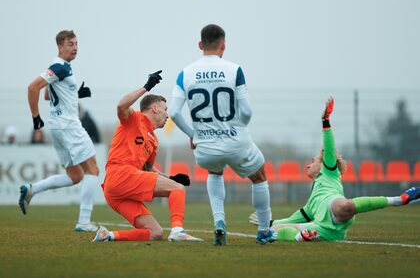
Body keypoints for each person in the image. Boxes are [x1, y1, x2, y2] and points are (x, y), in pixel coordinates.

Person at [249, 97, 420, 242]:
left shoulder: (329, 173)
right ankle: (302, 237)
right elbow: (293, 219)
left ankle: (399, 199)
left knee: (342, 205)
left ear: (323, 164)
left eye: (313, 161)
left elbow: (329, 148)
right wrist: (269, 222)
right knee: (279, 229)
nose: (308, 164)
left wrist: (326, 121)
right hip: (325, 231)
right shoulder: (311, 204)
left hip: (337, 211)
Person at [169, 24, 274, 245]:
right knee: (259, 176)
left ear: (200, 45)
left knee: (215, 172)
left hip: (205, 145)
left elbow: (174, 112)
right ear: (223, 44)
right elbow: (246, 111)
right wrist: (239, 127)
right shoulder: (234, 69)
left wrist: (193, 134)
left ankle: (219, 222)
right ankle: (264, 231)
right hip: (236, 141)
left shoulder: (185, 73)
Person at [92, 71, 203, 243]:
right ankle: (178, 231)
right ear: (155, 108)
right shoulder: (133, 118)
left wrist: (171, 177)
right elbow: (121, 106)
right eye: (165, 110)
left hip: (116, 190)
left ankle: (108, 236)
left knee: (154, 233)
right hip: (120, 175)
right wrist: (146, 87)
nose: (168, 115)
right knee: (177, 189)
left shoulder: (153, 139)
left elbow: (148, 169)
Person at [19, 30, 100, 232]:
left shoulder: (58, 69)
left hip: (58, 128)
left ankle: (32, 189)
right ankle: (83, 222)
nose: (75, 47)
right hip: (69, 126)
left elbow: (48, 94)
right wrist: (36, 117)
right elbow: (32, 88)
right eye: (70, 44)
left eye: (76, 44)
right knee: (93, 170)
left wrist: (75, 93)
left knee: (75, 176)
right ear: (60, 47)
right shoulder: (60, 67)